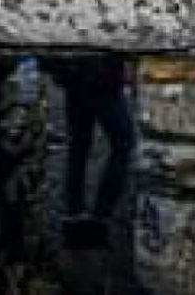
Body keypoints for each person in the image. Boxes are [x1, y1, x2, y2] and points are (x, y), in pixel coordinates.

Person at [38, 54, 134, 247]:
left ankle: (75, 216)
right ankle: (98, 217)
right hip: (99, 77)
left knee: (78, 147)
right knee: (123, 142)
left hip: (75, 76)